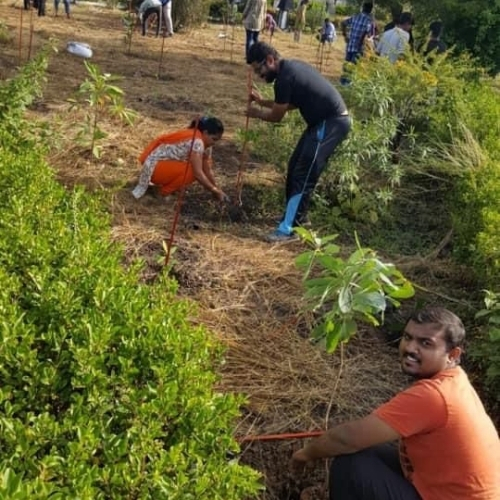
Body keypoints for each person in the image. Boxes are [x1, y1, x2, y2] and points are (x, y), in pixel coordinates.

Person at [291, 306, 500, 500]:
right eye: (408, 337)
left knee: (350, 465)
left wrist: (305, 454)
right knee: (368, 452)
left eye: (425, 343)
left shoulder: (434, 395)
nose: (410, 348)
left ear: (452, 355)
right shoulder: (455, 380)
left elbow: (348, 439)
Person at [246, 42, 351, 242]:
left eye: (260, 70)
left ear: (270, 60)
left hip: (332, 123)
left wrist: (256, 113)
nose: (260, 75)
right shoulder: (289, 69)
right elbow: (287, 104)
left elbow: (277, 116)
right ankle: (296, 218)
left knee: (304, 173)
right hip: (321, 123)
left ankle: (289, 229)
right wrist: (261, 102)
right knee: (295, 166)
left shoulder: (285, 78)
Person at [131, 117, 229, 203]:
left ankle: (165, 188)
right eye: (213, 139)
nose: (214, 143)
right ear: (205, 133)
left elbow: (207, 169)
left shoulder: (205, 143)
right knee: (192, 170)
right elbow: (198, 173)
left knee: (195, 167)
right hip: (153, 167)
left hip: (159, 166)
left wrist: (217, 190)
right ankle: (163, 193)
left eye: (217, 140)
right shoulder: (197, 142)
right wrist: (213, 190)